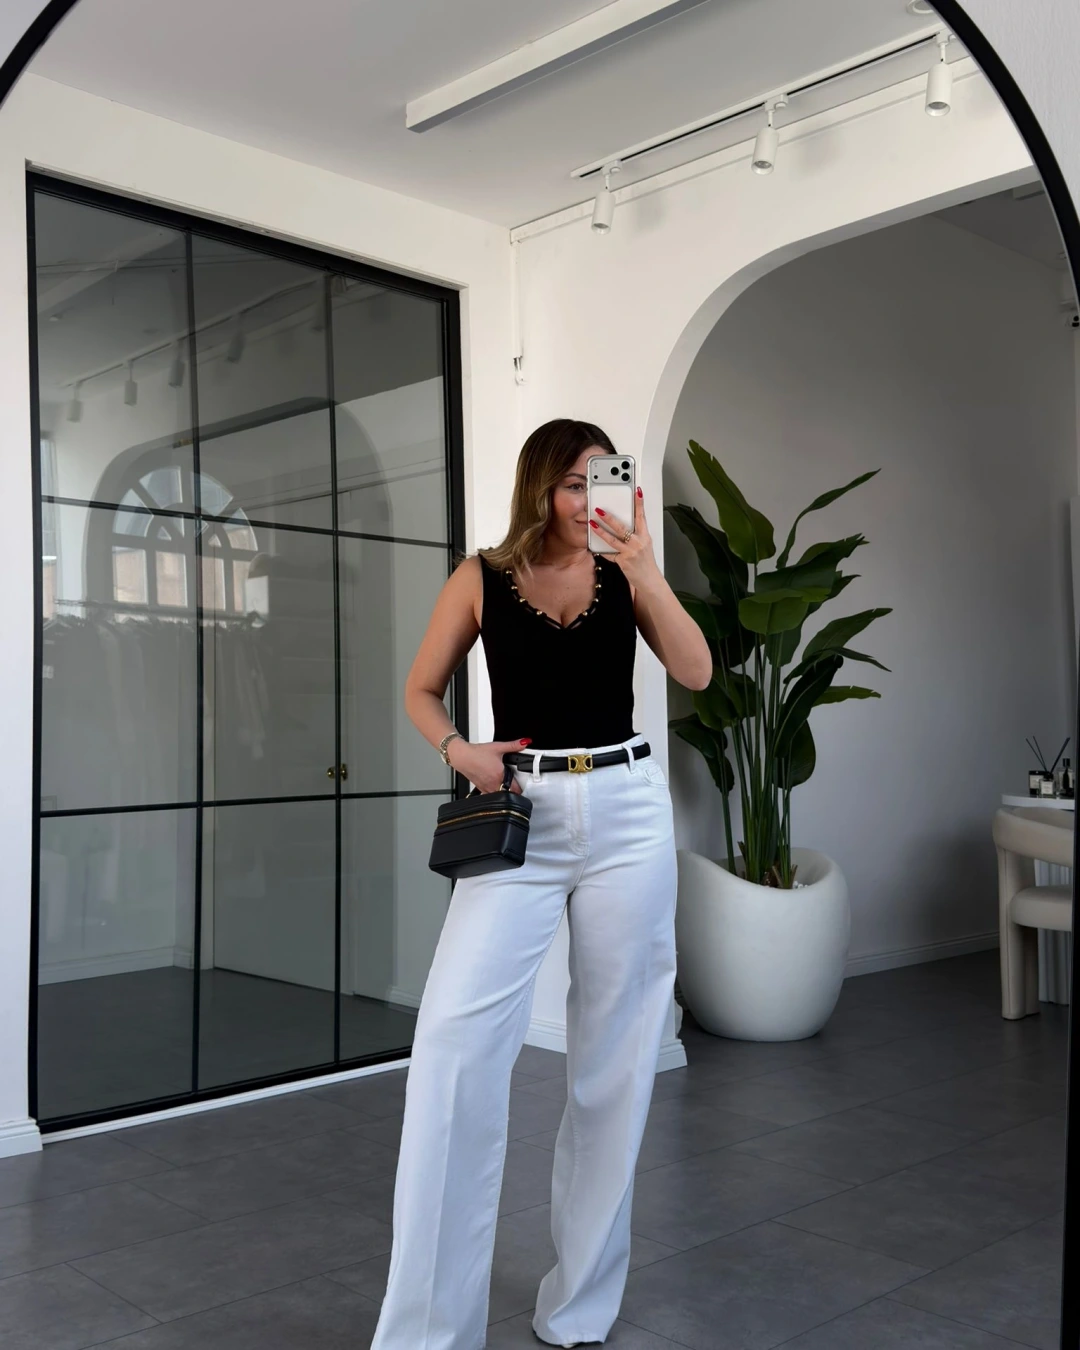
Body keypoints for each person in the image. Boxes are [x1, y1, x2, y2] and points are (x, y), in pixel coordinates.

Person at [369, 418, 712, 1349]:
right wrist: (460, 751)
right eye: (572, 483)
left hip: (628, 808)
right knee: (452, 1048)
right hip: (520, 808)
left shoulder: (625, 574)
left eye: (603, 479)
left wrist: (645, 568)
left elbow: (695, 669)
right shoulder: (480, 577)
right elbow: (421, 689)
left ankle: (579, 1308)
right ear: (539, 489)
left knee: (616, 1061)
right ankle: (426, 1332)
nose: (588, 499)